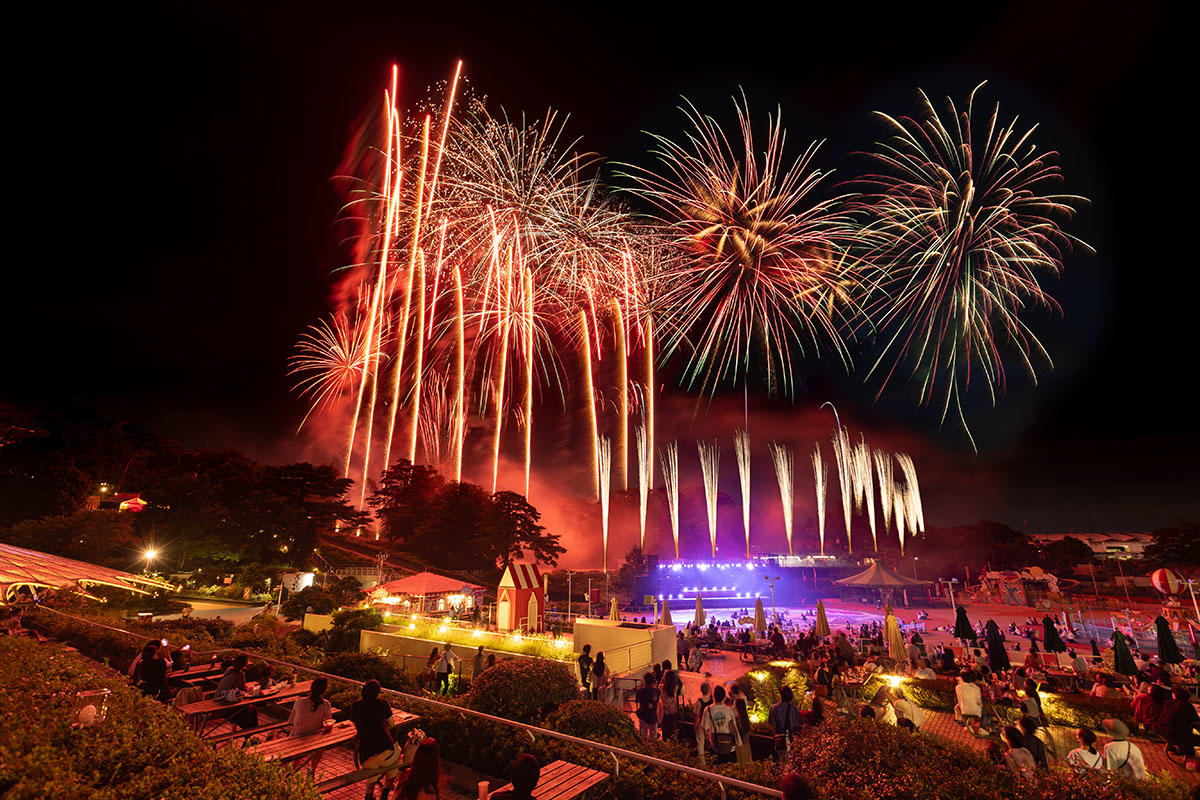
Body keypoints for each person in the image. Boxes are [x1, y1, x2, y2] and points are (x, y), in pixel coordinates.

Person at [351, 680, 402, 799]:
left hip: (366, 758)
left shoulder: (356, 705)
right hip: (386, 753)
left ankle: (369, 794)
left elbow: (356, 724)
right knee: (396, 761)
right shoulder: (383, 704)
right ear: (378, 693)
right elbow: (392, 723)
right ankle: (385, 794)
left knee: (373, 767)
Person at [286, 677, 332, 777]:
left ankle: (293, 769)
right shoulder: (326, 705)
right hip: (313, 740)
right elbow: (328, 721)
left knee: (300, 742)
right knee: (320, 745)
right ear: (324, 690)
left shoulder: (299, 702)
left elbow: (291, 721)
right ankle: (312, 769)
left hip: (296, 737)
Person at [700, 685, 742, 763]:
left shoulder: (708, 710)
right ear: (724, 697)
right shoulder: (729, 710)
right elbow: (734, 727)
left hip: (715, 746)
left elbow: (705, 729)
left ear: (713, 696)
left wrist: (708, 742)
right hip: (729, 746)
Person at [215, 654, 257, 729]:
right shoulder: (239, 674)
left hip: (219, 699)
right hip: (225, 706)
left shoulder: (230, 670)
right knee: (252, 710)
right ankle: (249, 732)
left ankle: (242, 731)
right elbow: (240, 691)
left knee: (249, 708)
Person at [1159, 686, 1200, 760]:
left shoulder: (1168, 704)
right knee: (1191, 737)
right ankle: (1189, 758)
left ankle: (1178, 750)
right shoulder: (1187, 706)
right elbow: (1196, 721)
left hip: (1164, 732)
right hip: (1178, 735)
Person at [768, 685, 802, 755]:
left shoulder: (774, 708)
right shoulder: (795, 708)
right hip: (793, 739)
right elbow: (799, 723)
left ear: (781, 695)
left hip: (780, 738)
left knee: (782, 757)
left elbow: (772, 723)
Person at [955, 670, 984, 735]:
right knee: (985, 712)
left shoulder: (958, 687)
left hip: (964, 710)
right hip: (975, 711)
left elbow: (959, 700)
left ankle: (968, 724)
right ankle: (982, 729)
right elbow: (978, 701)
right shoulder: (976, 688)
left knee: (963, 707)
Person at [635, 672, 661, 741]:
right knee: (653, 737)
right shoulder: (657, 692)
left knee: (643, 737)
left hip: (643, 716)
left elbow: (637, 701)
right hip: (653, 716)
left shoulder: (640, 691)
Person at [658, 668, 680, 739]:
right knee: (672, 729)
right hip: (673, 710)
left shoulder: (661, 687)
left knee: (665, 730)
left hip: (666, 711)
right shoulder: (675, 687)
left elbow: (659, 686)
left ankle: (666, 743)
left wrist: (663, 677)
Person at [693, 681, 713, 755]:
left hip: (701, 723)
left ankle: (701, 759)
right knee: (711, 741)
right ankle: (711, 757)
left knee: (700, 743)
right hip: (710, 724)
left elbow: (696, 715)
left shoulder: (699, 701)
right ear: (708, 690)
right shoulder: (712, 700)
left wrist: (695, 726)